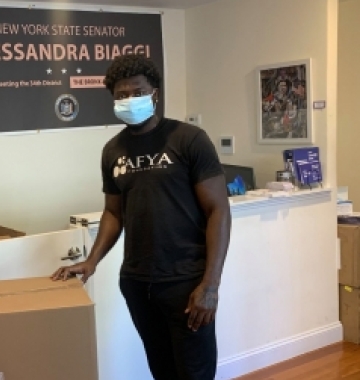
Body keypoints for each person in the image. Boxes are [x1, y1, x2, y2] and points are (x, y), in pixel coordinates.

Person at [52, 54, 232, 380]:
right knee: (162, 370)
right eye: (120, 95)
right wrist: (91, 262)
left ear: (155, 93)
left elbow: (218, 210)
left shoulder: (188, 139)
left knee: (194, 373)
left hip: (186, 282)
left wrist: (210, 284)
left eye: (137, 91)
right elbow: (112, 212)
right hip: (137, 282)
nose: (129, 100)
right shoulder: (113, 150)